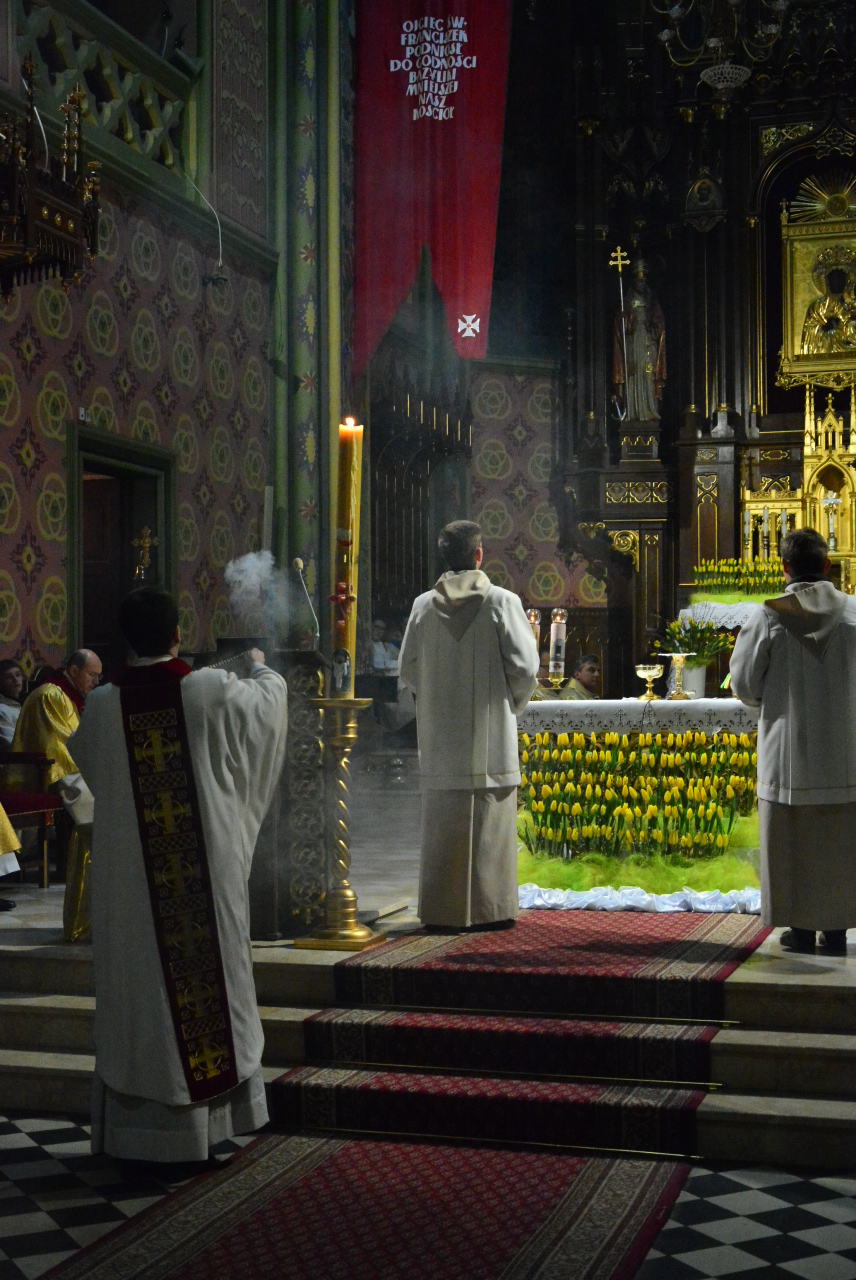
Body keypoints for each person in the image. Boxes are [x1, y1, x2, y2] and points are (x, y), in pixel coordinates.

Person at [68, 586, 288, 1165]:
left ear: (126, 639)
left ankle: (137, 1135)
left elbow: (92, 766)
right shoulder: (208, 688)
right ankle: (203, 1132)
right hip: (202, 872)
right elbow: (265, 712)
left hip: (131, 886)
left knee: (139, 991)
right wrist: (262, 669)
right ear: (176, 634)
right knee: (208, 985)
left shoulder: (103, 705)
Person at [399, 520, 539, 931]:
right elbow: (525, 667)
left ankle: (442, 912)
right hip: (489, 737)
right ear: (479, 555)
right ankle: (489, 911)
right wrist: (510, 703)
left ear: (444, 555)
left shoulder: (423, 606)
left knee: (444, 825)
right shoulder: (501, 601)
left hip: (441, 741)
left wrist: (437, 699)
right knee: (489, 826)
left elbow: (407, 668)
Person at [730, 527, 856, 954]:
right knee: (839, 841)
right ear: (827, 565)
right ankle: (836, 932)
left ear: (784, 567)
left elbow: (744, 685)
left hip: (788, 752)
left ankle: (800, 930)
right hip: (846, 749)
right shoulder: (854, 613)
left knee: (792, 842)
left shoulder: (769, 616)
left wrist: (772, 701)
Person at [12, 650, 101, 942]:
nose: (96, 682)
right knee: (93, 820)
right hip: (52, 774)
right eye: (92, 675)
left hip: (67, 770)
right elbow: (62, 748)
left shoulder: (70, 696)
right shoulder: (51, 695)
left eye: (99, 676)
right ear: (73, 671)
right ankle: (83, 922)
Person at [613, 259, 666, 421]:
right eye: (639, 281)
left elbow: (659, 323)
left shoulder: (651, 301)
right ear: (634, 282)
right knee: (634, 374)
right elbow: (620, 327)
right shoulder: (627, 301)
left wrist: (654, 323)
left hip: (648, 342)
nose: (642, 284)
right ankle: (633, 412)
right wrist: (625, 320)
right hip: (633, 343)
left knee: (648, 374)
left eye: (644, 281)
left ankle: (649, 411)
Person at [0, 659, 24, 747]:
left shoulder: (24, 703)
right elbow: (12, 743)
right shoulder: (2, 710)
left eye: (18, 675)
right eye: (9, 677)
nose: (15, 679)